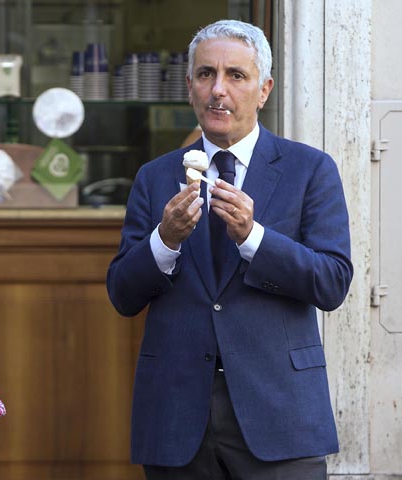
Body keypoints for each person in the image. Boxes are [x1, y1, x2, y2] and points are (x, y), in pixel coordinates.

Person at [107, 19, 353, 479]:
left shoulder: (310, 169)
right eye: (205, 74)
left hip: (280, 415)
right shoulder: (154, 177)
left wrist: (253, 238)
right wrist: (166, 241)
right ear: (189, 87)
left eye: (235, 76)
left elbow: (332, 281)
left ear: (264, 90)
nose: (218, 89)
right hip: (177, 420)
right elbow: (122, 293)